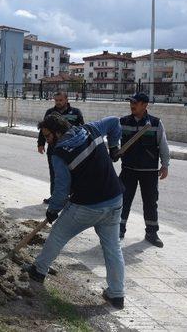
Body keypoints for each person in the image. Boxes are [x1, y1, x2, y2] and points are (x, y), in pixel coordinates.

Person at [25, 114, 126, 310]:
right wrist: (113, 146)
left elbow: (62, 189)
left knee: (57, 235)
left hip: (86, 206)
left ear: (58, 132)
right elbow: (114, 122)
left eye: (48, 136)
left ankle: (39, 270)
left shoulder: (60, 154)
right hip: (114, 200)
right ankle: (117, 294)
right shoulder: (91, 129)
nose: (47, 141)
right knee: (113, 248)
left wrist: (53, 211)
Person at [116, 93, 169, 247]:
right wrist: (114, 151)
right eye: (131, 102)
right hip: (128, 169)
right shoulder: (123, 122)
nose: (132, 105)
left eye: (135, 103)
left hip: (149, 171)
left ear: (145, 105)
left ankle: (151, 233)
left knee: (150, 202)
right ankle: (119, 229)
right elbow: (115, 141)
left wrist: (165, 165)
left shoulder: (155, 123)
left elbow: (163, 145)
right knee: (123, 200)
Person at [37, 91, 85, 204]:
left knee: (72, 173)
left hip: (71, 150)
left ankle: (72, 198)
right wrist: (40, 143)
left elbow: (82, 129)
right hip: (54, 149)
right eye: (56, 100)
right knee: (55, 173)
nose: (58, 103)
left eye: (60, 100)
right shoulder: (50, 112)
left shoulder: (76, 112)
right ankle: (55, 197)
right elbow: (43, 129)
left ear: (66, 100)